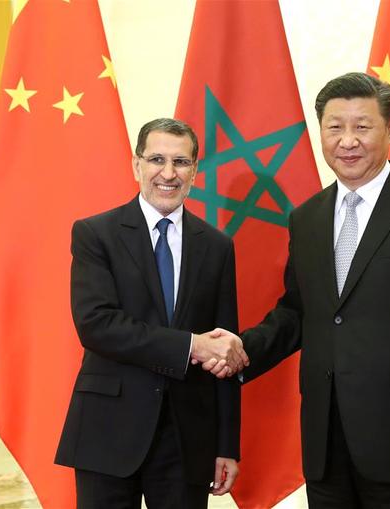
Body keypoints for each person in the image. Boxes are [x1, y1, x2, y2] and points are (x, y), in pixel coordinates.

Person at [207, 73, 390, 508]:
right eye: (335, 127)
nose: (348, 141)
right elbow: (299, 312)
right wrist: (242, 348)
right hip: (326, 442)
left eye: (363, 126)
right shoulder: (308, 218)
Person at [55, 118, 249, 509]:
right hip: (108, 430)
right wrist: (189, 346)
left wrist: (227, 445)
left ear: (195, 170)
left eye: (180, 162)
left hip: (186, 439)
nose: (168, 173)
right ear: (136, 165)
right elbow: (97, 325)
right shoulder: (96, 234)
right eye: (157, 159)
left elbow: (224, 352)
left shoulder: (216, 246)